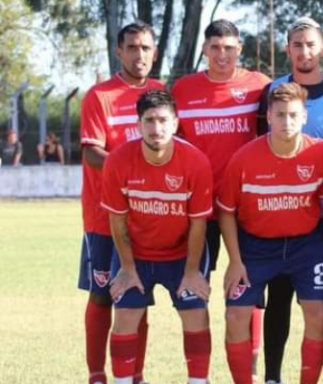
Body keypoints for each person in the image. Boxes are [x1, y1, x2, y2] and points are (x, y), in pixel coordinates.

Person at [254, 16, 323, 384]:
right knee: (280, 296)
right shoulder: (272, 92)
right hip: (283, 214)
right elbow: (258, 151)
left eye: (311, 44)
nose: (304, 51)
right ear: (288, 49)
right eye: (297, 44)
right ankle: (272, 376)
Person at [171, 19, 271, 378]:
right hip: (197, 210)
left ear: (239, 49)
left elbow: (296, 96)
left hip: (247, 208)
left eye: (229, 47)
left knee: (248, 291)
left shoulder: (259, 85)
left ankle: (252, 362)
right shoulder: (183, 90)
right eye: (215, 47)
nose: (222, 54)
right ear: (204, 49)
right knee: (195, 291)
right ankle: (199, 374)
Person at [218, 82, 323, 384]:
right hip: (254, 248)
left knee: (319, 315)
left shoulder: (320, 154)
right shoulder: (243, 159)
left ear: (305, 116)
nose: (287, 122)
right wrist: (235, 260)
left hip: (305, 247)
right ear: (268, 116)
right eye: (280, 115)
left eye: (294, 115)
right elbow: (226, 211)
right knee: (235, 317)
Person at [102, 90, 214, 384]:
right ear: (138, 124)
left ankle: (198, 382)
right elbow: (117, 220)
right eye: (149, 120)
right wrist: (127, 268)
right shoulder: (118, 161)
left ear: (176, 123)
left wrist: (191, 272)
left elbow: (198, 224)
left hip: (182, 255)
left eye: (163, 120)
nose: (156, 128)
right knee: (125, 314)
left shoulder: (196, 161)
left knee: (195, 313)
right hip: (136, 255)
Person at [78, 21, 164, 384]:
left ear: (154, 52)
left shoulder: (161, 93)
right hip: (104, 217)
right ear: (119, 51)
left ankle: (136, 374)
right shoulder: (100, 96)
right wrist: (129, 170)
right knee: (101, 296)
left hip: (148, 218)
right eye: (131, 47)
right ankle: (97, 375)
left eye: (145, 48)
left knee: (136, 297)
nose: (138, 54)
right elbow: (92, 153)